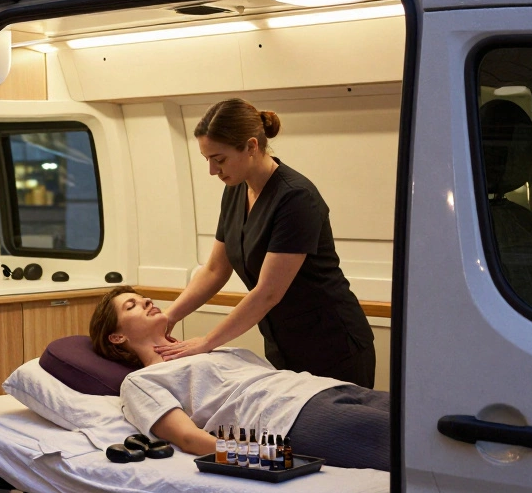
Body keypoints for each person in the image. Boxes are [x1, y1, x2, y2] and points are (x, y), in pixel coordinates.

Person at [156, 98, 376, 387]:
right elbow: (214, 270)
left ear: (250, 146)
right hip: (281, 343)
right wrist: (169, 316)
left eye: (219, 159)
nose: (212, 170)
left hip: (332, 344)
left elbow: (268, 293)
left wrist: (206, 342)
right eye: (206, 159)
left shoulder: (295, 198)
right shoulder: (235, 191)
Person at [90, 286, 388, 472]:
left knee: (425, 417)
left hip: (322, 387)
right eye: (132, 306)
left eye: (143, 298)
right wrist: (263, 459)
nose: (146, 301)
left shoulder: (211, 348)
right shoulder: (142, 381)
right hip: (294, 419)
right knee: (413, 443)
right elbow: (188, 438)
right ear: (117, 337)